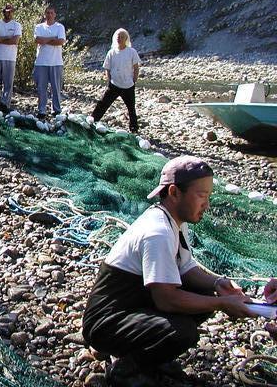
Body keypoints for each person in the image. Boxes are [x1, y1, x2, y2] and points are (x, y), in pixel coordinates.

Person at [82, 155, 254, 386]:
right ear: (174, 192)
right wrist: (222, 304)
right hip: (106, 322)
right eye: (202, 196)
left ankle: (152, 355)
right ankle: (127, 369)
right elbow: (167, 300)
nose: (207, 205)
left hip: (133, 307)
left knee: (204, 294)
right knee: (183, 332)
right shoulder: (158, 232)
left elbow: (187, 269)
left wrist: (218, 284)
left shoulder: (174, 222)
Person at [90, 28, 141, 133]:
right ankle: (92, 120)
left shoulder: (132, 52)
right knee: (103, 103)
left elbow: (136, 67)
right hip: (114, 85)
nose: (119, 38)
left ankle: (134, 129)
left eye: (122, 37)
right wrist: (109, 80)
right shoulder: (111, 52)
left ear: (126, 39)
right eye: (118, 37)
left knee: (131, 108)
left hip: (128, 85)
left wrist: (134, 80)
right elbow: (107, 68)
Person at [33, 6, 66, 119]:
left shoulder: (59, 27)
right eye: (47, 13)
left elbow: (60, 41)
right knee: (41, 88)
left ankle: (56, 110)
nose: (49, 15)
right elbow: (38, 40)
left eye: (51, 13)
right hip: (41, 62)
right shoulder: (39, 27)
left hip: (56, 62)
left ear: (55, 14)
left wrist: (45, 40)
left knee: (56, 88)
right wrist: (52, 38)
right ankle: (41, 110)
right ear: (44, 14)